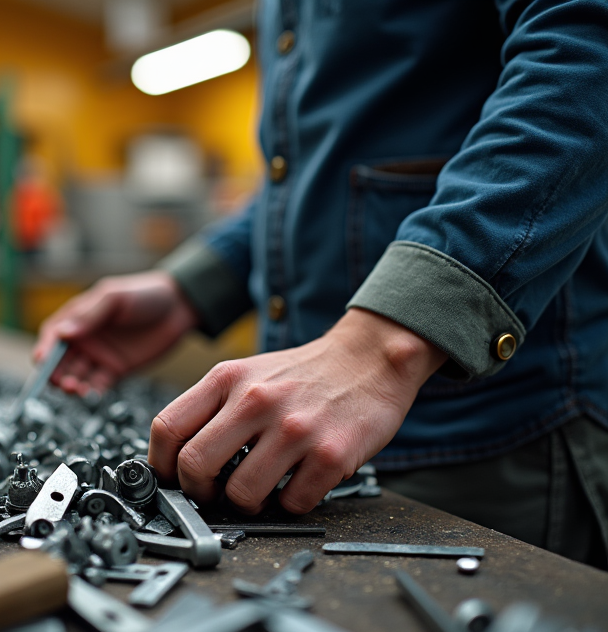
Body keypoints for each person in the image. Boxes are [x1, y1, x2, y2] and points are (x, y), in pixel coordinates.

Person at [35, 0, 608, 567]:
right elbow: (313, 181)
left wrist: (382, 346)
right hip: (299, 448)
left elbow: (586, 47)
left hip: (496, 437)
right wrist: (192, 289)